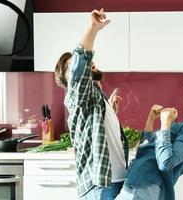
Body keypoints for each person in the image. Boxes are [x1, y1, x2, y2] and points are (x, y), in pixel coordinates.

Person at [54, 8, 129, 200]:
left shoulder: (96, 98)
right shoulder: (76, 97)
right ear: (70, 82)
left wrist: (110, 110)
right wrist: (93, 28)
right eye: (72, 67)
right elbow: (81, 64)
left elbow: (99, 133)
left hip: (115, 181)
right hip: (101, 186)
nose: (87, 64)